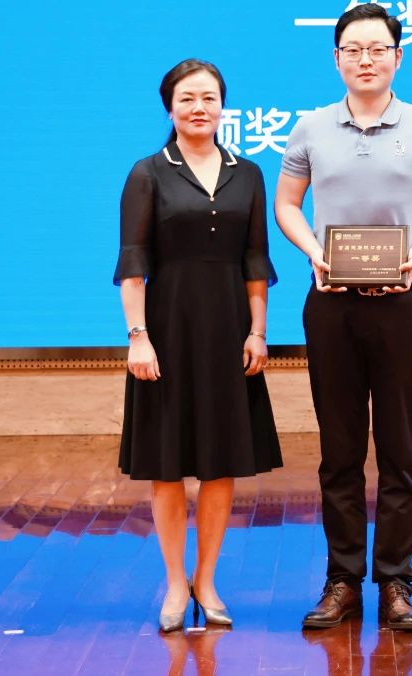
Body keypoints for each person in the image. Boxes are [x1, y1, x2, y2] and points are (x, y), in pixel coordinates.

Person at [275, 4, 412, 631]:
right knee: (338, 451)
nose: (365, 59)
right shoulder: (310, 127)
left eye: (377, 49)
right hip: (331, 306)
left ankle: (395, 582)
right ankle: (342, 579)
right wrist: (313, 252)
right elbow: (287, 204)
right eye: (353, 49)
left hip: (403, 305)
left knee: (399, 451)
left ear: (397, 57)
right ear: (336, 59)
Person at [114, 58, 283, 632]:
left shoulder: (248, 173)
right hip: (166, 332)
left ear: (223, 106)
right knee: (168, 466)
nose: (199, 108)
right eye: (187, 98)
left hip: (228, 332)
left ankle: (206, 582)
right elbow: (132, 264)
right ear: (170, 107)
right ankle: (173, 583)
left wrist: (257, 331)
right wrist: (138, 337)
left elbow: (256, 261)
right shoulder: (147, 173)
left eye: (209, 98)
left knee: (219, 462)